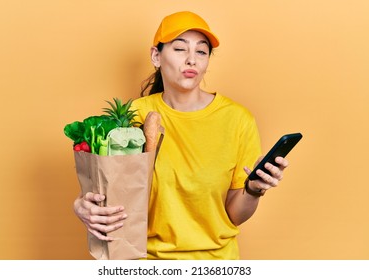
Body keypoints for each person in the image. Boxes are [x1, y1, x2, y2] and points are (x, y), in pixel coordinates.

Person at [73, 11, 288, 260]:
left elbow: (234, 215)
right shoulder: (131, 118)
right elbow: (108, 192)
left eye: (201, 51)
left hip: (216, 263)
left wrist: (254, 189)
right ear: (156, 56)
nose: (191, 60)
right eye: (179, 49)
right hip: (141, 260)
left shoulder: (238, 120)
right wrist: (81, 206)